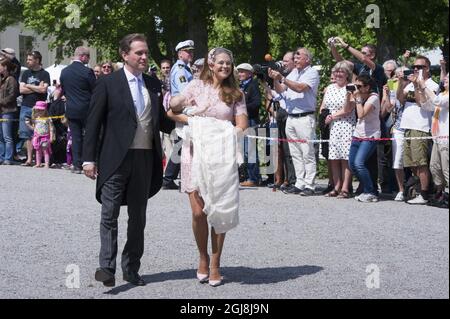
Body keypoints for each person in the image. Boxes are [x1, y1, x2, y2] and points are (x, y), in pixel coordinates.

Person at [82, 34, 174, 287]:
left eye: (145, 53)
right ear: (125, 55)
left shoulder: (154, 84)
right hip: (115, 158)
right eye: (139, 53)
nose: (144, 57)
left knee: (138, 216)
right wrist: (88, 159)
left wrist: (187, 111)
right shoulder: (108, 83)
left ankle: (131, 267)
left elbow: (164, 122)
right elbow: (93, 122)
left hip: (145, 157)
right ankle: (106, 267)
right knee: (109, 214)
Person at [168, 47, 248, 287]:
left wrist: (226, 131)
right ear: (211, 65)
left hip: (221, 156)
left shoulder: (236, 93)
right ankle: (202, 255)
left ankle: (215, 262)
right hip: (195, 153)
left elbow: (242, 124)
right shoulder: (194, 87)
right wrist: (196, 122)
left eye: (229, 63)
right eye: (220, 62)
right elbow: (172, 111)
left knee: (219, 210)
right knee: (198, 212)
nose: (225, 67)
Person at [268, 47, 320, 196]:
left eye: (299, 57)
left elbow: (300, 88)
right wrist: (275, 79)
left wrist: (282, 78)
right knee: (295, 153)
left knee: (307, 152)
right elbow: (280, 90)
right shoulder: (293, 72)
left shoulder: (311, 73)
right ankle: (300, 182)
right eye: (295, 58)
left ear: (307, 59)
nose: (295, 60)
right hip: (291, 117)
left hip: (305, 117)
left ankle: (310, 184)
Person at [397, 55, 439, 204]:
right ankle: (419, 189)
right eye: (414, 67)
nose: (416, 69)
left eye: (420, 67)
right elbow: (400, 99)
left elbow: (422, 103)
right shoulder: (410, 82)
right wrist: (402, 82)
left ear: (427, 68)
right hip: (407, 125)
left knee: (421, 163)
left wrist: (416, 85)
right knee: (411, 163)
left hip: (421, 126)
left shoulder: (431, 85)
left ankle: (425, 193)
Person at [163, 40, 195, 190]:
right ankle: (170, 177)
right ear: (180, 53)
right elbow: (185, 93)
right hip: (184, 109)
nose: (190, 54)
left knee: (182, 144)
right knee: (183, 143)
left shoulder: (184, 69)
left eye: (191, 51)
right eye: (187, 51)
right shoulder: (181, 70)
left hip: (184, 109)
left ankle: (169, 177)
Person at [322, 61, 356, 198]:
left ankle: (345, 188)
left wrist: (332, 116)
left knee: (345, 158)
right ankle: (335, 186)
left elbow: (349, 108)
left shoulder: (351, 87)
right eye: (336, 72)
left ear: (347, 74)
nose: (338, 74)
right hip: (332, 126)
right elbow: (324, 105)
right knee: (334, 157)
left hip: (346, 124)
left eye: (341, 72)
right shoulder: (330, 87)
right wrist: (323, 117)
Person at [60, 47, 96, 174]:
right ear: (83, 57)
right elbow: (95, 90)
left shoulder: (64, 72)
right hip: (87, 108)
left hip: (71, 108)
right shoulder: (87, 72)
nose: (88, 59)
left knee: (75, 137)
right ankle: (89, 160)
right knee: (90, 135)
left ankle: (76, 164)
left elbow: (63, 90)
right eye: (88, 57)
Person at [349, 75, 381, 203]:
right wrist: (349, 95)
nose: (357, 88)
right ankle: (369, 187)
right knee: (352, 165)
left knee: (359, 163)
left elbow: (361, 115)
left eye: (360, 86)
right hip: (358, 133)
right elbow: (348, 107)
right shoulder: (359, 95)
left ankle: (370, 191)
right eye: (356, 86)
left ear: (367, 87)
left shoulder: (374, 98)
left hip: (371, 135)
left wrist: (357, 99)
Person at [19, 51, 51, 167]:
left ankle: (41, 159)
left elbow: (43, 90)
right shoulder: (26, 73)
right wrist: (37, 87)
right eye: (27, 59)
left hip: (39, 108)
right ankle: (28, 159)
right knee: (26, 133)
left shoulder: (45, 74)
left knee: (40, 133)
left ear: (37, 60)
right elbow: (21, 90)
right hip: (26, 105)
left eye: (30, 59)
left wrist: (28, 86)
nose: (27, 61)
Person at [237, 63, 261, 187]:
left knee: (250, 150)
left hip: (250, 120)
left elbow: (257, 104)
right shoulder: (239, 86)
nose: (240, 74)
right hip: (242, 121)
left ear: (250, 73)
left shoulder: (253, 85)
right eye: (239, 72)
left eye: (242, 72)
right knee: (243, 150)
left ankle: (253, 177)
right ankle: (247, 175)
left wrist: (242, 108)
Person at [0, 57, 20, 165]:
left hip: (8, 110)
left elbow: (12, 96)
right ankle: (1, 156)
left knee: (7, 136)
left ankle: (8, 157)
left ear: (5, 67)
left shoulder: (11, 79)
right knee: (1, 136)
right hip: (1, 111)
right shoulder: (2, 80)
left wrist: (1, 102)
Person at [27, 101, 55, 168]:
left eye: (41, 110)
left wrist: (51, 137)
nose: (39, 112)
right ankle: (38, 163)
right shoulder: (35, 119)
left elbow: (51, 128)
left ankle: (46, 164)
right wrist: (28, 125)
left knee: (45, 151)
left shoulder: (48, 119)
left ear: (45, 110)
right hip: (37, 137)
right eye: (38, 110)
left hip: (45, 137)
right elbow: (34, 128)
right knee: (38, 151)